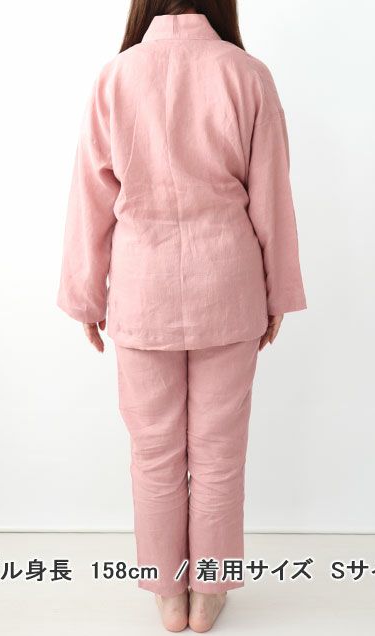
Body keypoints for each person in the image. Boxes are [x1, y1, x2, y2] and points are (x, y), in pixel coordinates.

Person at [57, 0, 307, 631]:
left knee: (153, 452)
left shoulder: (116, 76)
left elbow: (91, 197)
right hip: (229, 285)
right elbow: (272, 195)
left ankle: (169, 594)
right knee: (220, 452)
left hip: (142, 291)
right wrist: (278, 291)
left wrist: (85, 295)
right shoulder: (247, 74)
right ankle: (209, 590)